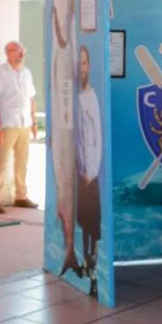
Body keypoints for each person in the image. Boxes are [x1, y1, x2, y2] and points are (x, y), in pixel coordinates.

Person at [0, 41, 39, 214]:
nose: (21, 55)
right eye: (18, 51)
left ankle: (21, 196)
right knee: (0, 161)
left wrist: (34, 122)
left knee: (22, 162)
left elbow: (31, 98)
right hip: (7, 125)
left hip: (24, 124)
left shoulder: (26, 73)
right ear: (8, 53)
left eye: (23, 51)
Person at [75, 45, 102, 297]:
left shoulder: (90, 97)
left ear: (89, 66)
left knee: (92, 223)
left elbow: (96, 139)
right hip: (77, 172)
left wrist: (91, 171)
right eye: (77, 63)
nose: (80, 68)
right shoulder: (72, 96)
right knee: (82, 221)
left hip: (89, 175)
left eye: (83, 63)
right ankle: (83, 262)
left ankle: (93, 267)